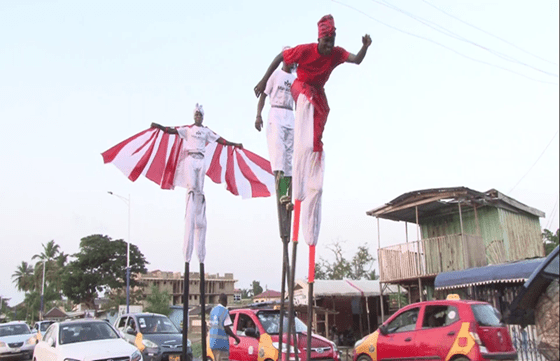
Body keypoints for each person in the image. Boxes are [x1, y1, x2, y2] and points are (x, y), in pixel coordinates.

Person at [254, 15, 372, 261]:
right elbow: (279, 59)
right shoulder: (304, 51)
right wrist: (263, 80)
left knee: (319, 126)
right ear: (320, 38)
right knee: (306, 104)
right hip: (301, 88)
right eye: (326, 41)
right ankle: (292, 174)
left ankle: (312, 153)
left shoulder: (336, 53)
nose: (329, 46)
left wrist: (365, 46)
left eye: (332, 41)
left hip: (317, 92)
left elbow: (357, 60)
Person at [151, 104, 243, 263]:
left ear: (203, 117)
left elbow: (220, 140)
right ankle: (191, 198)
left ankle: (198, 202)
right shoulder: (188, 129)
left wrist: (234, 144)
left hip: (201, 159)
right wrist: (159, 127)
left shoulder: (206, 131)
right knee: (192, 187)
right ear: (194, 116)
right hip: (190, 158)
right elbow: (172, 130)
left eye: (200, 115)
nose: (198, 117)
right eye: (196, 115)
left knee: (199, 190)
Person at [255, 48, 296, 184]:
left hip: (290, 114)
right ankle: (281, 189)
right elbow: (263, 95)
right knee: (279, 152)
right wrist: (258, 115)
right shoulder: (275, 75)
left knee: (289, 156)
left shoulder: (295, 79)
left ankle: (287, 195)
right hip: (276, 113)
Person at [209, 293, 241, 361]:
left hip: (212, 343)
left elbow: (211, 325)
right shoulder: (224, 311)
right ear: (226, 301)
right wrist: (236, 338)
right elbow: (227, 328)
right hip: (221, 344)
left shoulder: (212, 311)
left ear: (218, 300)